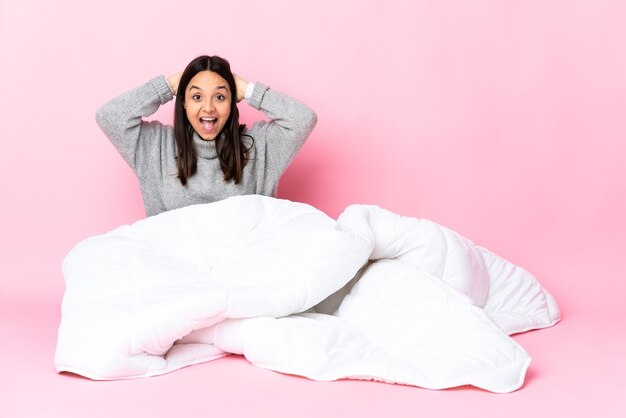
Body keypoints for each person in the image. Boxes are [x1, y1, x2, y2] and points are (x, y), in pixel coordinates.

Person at [96, 55, 317, 217]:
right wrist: (169, 85)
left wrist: (248, 89)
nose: (208, 108)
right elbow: (109, 117)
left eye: (220, 97)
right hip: (174, 267)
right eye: (197, 97)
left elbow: (302, 120)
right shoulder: (155, 145)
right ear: (183, 101)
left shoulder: (258, 146)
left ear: (232, 102)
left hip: (242, 265)